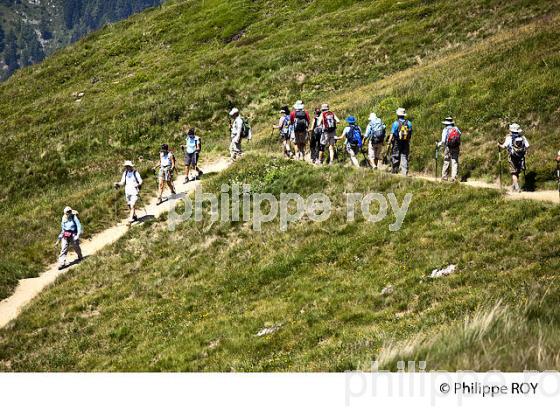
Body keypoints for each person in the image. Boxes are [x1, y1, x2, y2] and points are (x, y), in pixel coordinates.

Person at [498, 123, 529, 192]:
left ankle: (517, 188)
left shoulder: (509, 138)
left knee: (513, 173)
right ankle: (513, 187)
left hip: (512, 157)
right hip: (521, 157)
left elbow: (504, 146)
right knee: (517, 171)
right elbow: (527, 146)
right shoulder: (522, 137)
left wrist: (499, 145)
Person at [114, 160, 143, 225]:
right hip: (127, 192)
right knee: (129, 205)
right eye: (126, 166)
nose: (127, 167)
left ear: (131, 166)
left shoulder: (135, 173)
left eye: (128, 166)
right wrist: (117, 184)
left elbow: (140, 181)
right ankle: (134, 215)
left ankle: (130, 220)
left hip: (135, 192)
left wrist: (138, 185)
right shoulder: (125, 173)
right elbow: (122, 182)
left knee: (132, 205)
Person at [437, 117, 462, 182]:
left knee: (446, 161)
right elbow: (460, 134)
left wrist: (438, 144)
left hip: (448, 147)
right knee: (454, 162)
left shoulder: (445, 129)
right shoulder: (456, 128)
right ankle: (454, 178)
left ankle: (444, 177)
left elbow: (443, 141)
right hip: (456, 147)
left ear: (446, 123)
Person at [389, 107, 413, 175]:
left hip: (397, 142)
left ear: (398, 115)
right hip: (406, 142)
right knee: (404, 156)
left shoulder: (396, 123)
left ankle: (395, 171)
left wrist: (389, 142)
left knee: (395, 155)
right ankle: (404, 172)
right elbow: (410, 133)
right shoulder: (409, 123)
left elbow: (392, 133)